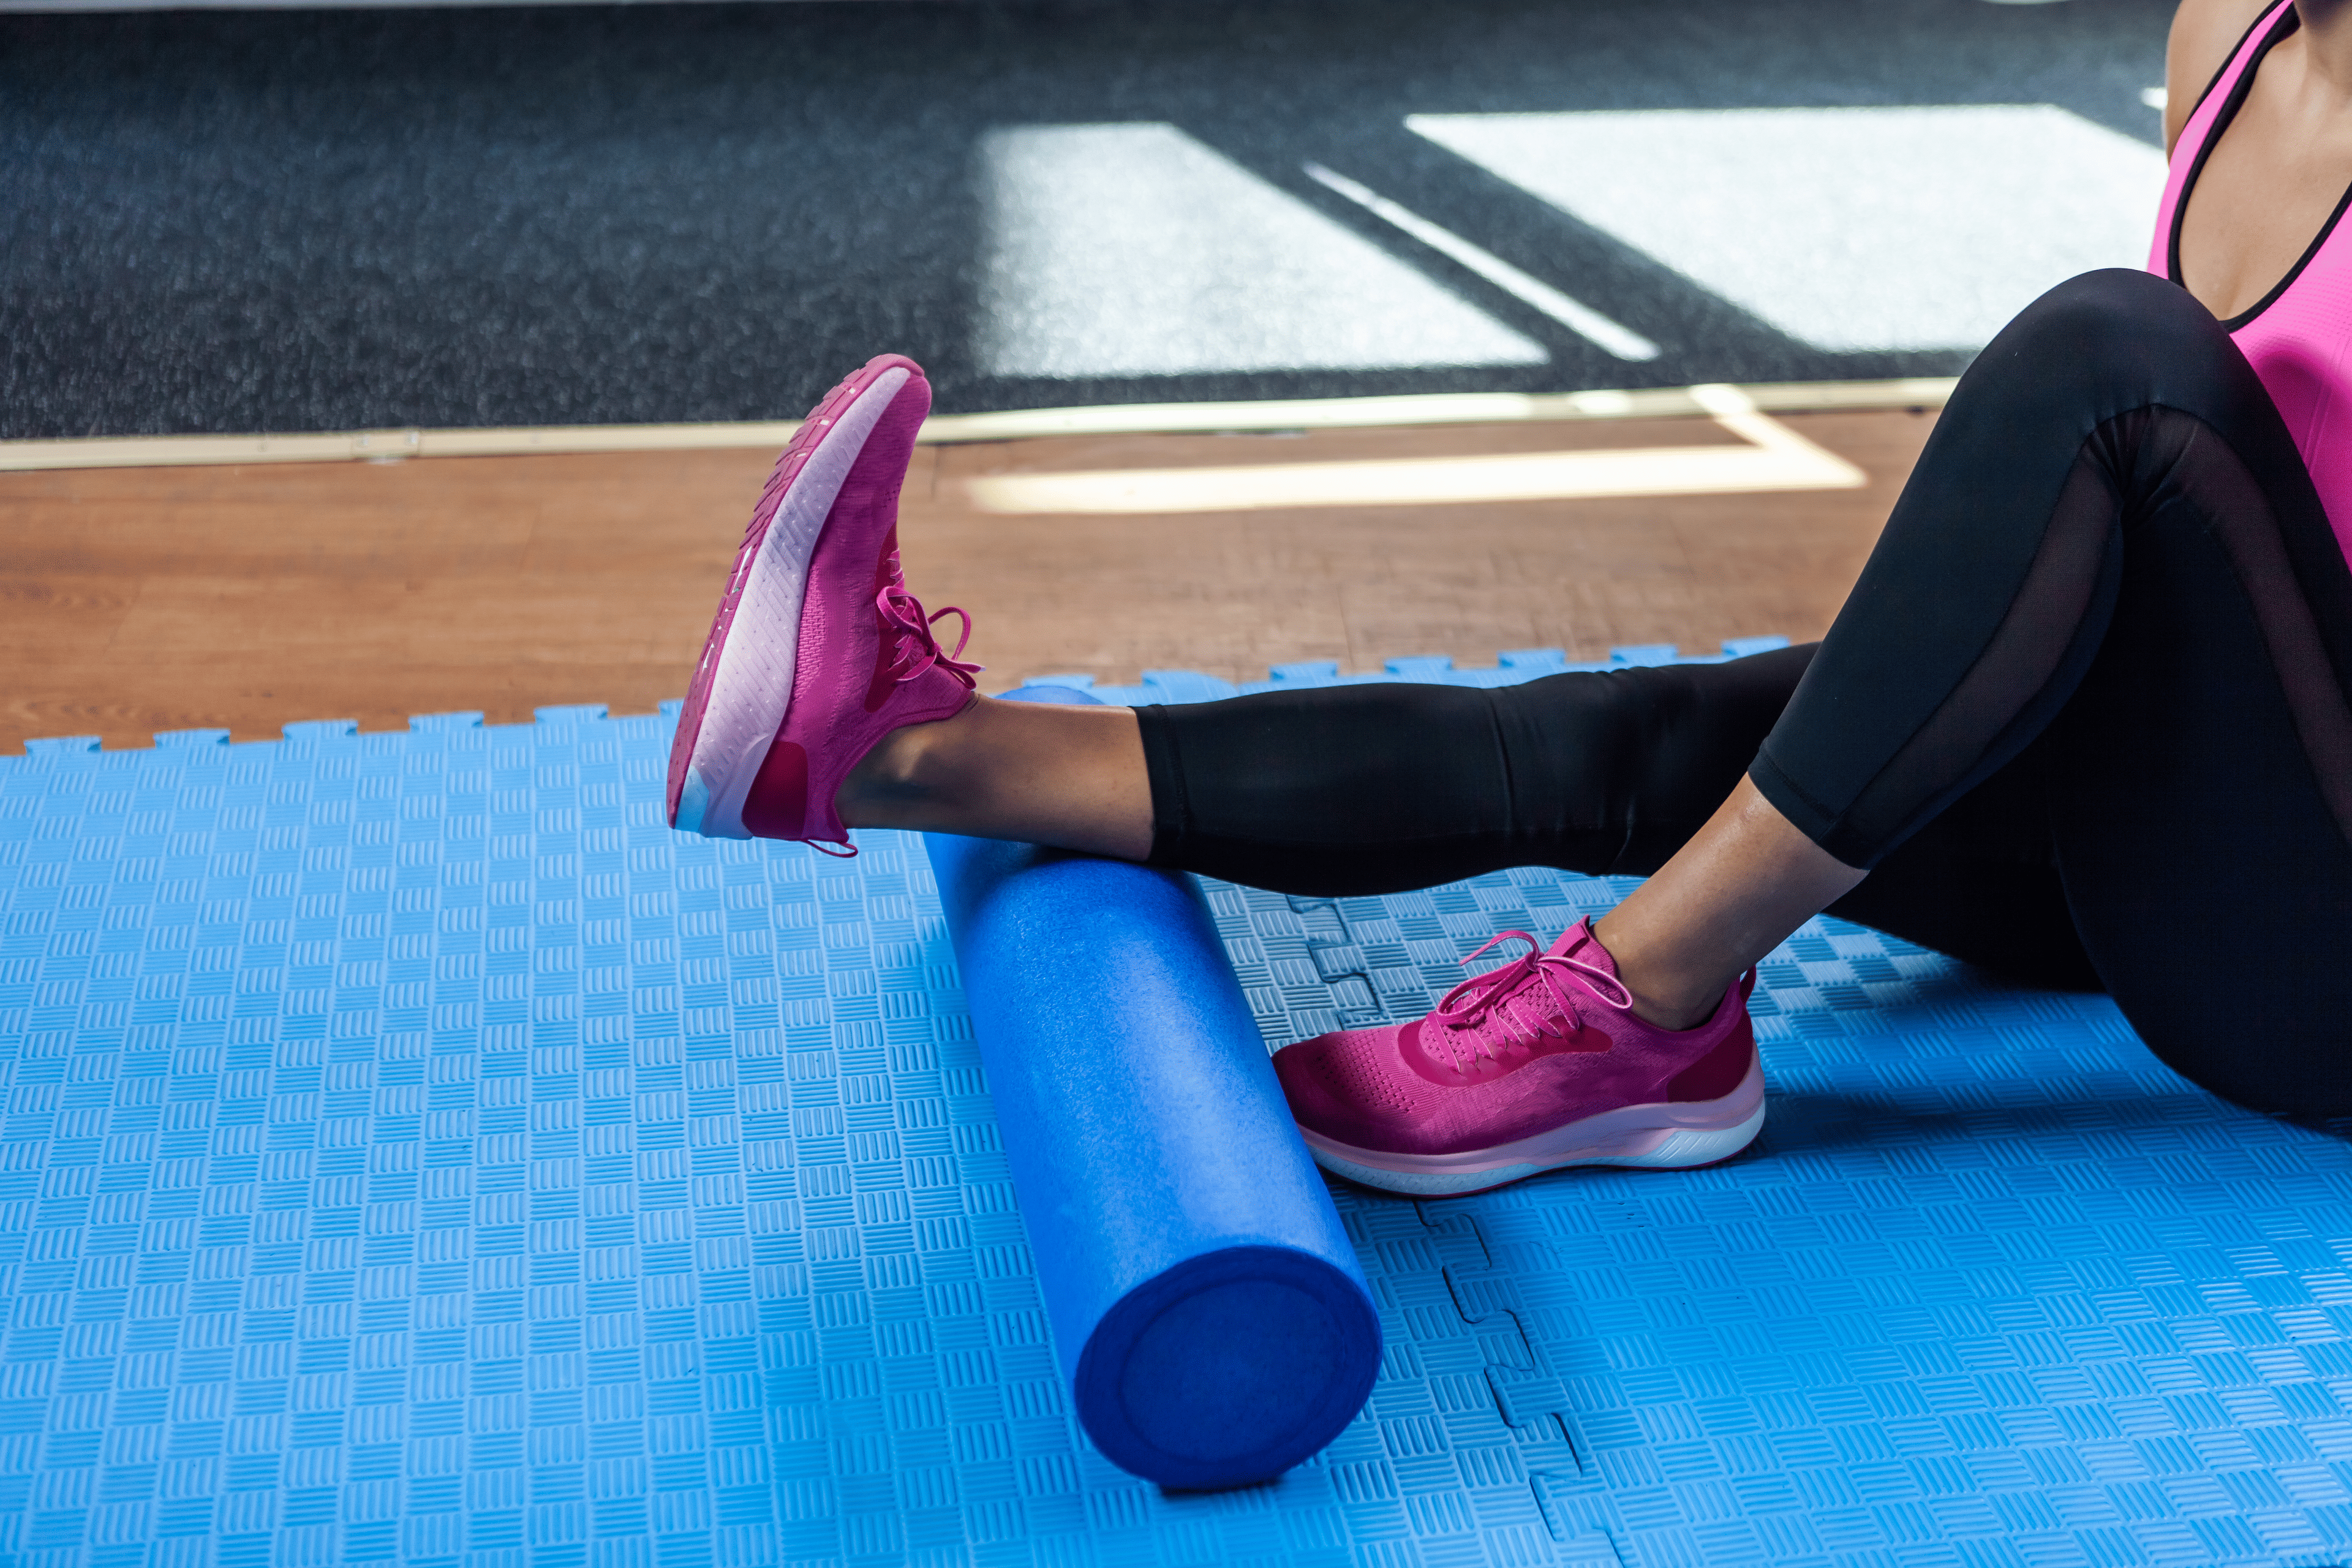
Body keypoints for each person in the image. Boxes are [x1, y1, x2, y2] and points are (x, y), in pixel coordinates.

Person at [666, 0, 2352, 1195]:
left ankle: (1647, 1008)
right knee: (1650, 746)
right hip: (2218, 816)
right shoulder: (2232, 33)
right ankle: (899, 757)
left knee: (2109, 359)